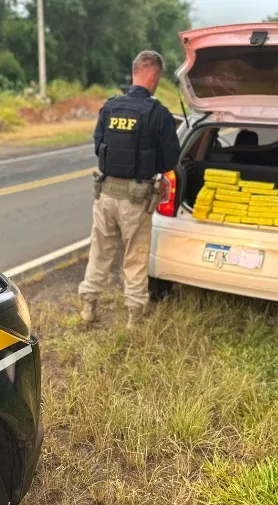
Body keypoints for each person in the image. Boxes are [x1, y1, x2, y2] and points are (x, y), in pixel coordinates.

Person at [78, 50, 181, 330]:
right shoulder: (158, 113)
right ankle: (134, 317)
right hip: (136, 199)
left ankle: (88, 307)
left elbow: (98, 146)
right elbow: (170, 159)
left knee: (99, 251)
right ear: (153, 75)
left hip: (105, 194)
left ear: (135, 72)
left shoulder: (110, 107)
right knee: (135, 256)